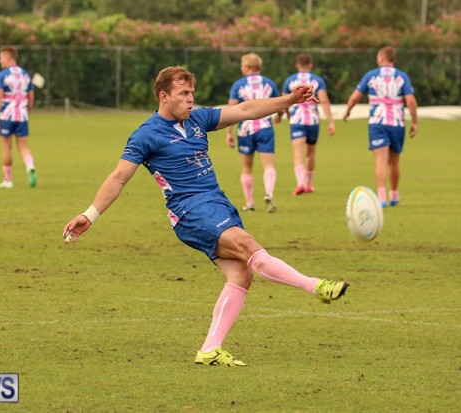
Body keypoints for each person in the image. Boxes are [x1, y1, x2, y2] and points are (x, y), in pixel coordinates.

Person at [63, 66, 348, 367]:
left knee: (241, 273)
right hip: (189, 211)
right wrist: (90, 215)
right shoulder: (146, 134)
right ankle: (315, 286)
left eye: (191, 93)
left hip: (217, 204)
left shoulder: (198, 119)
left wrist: (289, 99)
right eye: (183, 94)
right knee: (248, 246)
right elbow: (119, 177)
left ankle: (210, 349)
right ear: (164, 96)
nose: (190, 99)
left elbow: (247, 110)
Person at [343, 46, 418, 207]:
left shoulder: (371, 75)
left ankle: (381, 198)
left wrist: (347, 111)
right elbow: (411, 101)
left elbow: (355, 97)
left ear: (382, 58)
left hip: (377, 123)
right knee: (394, 161)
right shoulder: (402, 76)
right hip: (397, 123)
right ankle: (394, 195)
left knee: (381, 160)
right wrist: (415, 122)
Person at [225, 53, 282, 213]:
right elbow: (280, 103)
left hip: (245, 130)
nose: (241, 68)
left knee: (246, 167)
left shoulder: (238, 85)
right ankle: (269, 194)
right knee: (268, 165)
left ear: (247, 67)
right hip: (265, 128)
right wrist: (279, 115)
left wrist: (229, 132)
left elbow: (231, 110)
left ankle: (249, 202)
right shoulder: (269, 83)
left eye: (242, 65)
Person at [279, 54, 335, 195]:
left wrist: (284, 115)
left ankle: (300, 184)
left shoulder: (290, 80)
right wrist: (331, 122)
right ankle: (308, 184)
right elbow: (324, 101)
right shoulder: (317, 80)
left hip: (297, 120)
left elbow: (283, 101)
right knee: (311, 153)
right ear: (310, 65)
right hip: (313, 121)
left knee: (298, 153)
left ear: (297, 65)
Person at [0, 46, 37, 189]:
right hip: (22, 115)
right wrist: (27, 111)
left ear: (7, 58)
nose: (0, 61)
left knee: (6, 147)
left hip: (6, 115)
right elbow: (31, 97)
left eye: (0, 58)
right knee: (23, 146)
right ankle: (30, 167)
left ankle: (8, 180)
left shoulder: (2, 75)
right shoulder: (25, 74)